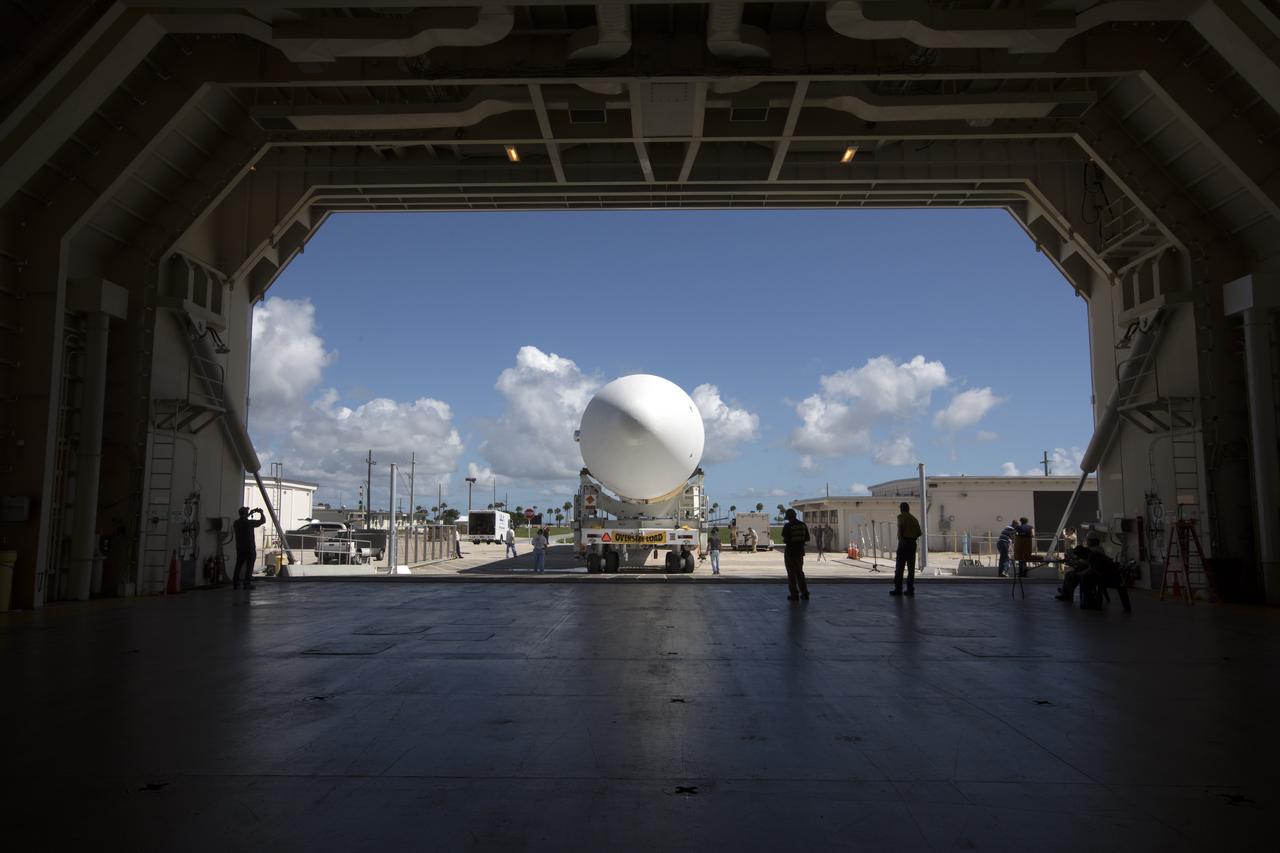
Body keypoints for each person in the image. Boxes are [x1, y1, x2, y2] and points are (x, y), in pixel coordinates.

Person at [1056, 535, 1132, 613]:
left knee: (1085, 578)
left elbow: (1091, 570)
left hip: (1109, 578)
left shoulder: (1093, 556)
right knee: (1081, 576)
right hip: (1112, 576)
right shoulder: (1095, 554)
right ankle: (1087, 600)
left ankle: (1089, 601)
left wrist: (1079, 574)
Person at [891, 502, 922, 597]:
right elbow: (919, 533)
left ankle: (898, 589)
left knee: (900, 567)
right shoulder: (914, 519)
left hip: (904, 543)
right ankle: (910, 589)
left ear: (902, 509)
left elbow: (900, 528)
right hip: (912, 544)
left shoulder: (901, 517)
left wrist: (901, 540)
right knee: (911, 568)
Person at [231, 506, 266, 590]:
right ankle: (247, 584)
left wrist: (250, 513)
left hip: (240, 548)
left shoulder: (236, 523)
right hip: (249, 548)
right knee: (249, 567)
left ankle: (235, 583)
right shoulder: (249, 523)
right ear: (245, 514)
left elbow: (243, 518)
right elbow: (263, 521)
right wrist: (261, 512)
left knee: (238, 566)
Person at [781, 509, 810, 601]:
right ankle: (805, 593)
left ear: (789, 517)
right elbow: (807, 538)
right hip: (800, 552)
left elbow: (786, 540)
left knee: (791, 574)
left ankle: (794, 594)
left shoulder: (788, 526)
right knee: (800, 573)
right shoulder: (803, 525)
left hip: (790, 552)